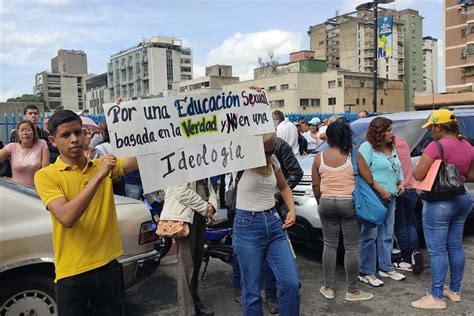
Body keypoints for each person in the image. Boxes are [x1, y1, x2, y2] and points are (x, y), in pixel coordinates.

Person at [34, 109, 139, 315]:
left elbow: (137, 161)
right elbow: (66, 217)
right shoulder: (46, 176)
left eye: (78, 132)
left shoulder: (102, 165)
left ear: (85, 134)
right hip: (73, 273)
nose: (74, 139)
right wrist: (98, 177)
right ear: (53, 140)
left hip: (109, 266)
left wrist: (165, 136)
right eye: (66, 135)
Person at [411, 109, 474, 310]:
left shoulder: (435, 146)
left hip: (440, 203)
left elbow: (419, 174)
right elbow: (471, 175)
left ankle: (436, 296)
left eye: (431, 128)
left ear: (439, 127)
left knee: (437, 251)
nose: (430, 132)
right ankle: (454, 291)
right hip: (462, 198)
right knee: (455, 246)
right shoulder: (468, 145)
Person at [232, 135, 303, 313]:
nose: (270, 155)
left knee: (291, 283)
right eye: (266, 151)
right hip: (247, 225)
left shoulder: (272, 160)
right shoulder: (237, 159)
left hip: (273, 222)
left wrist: (292, 209)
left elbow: (284, 187)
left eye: (272, 150)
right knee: (252, 290)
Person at [312, 122, 374, 301]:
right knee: (351, 247)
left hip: (326, 201)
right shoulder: (354, 156)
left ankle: (328, 287)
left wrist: (320, 202)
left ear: (328, 138)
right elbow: (369, 179)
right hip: (349, 203)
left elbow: (316, 186)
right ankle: (352, 291)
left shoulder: (319, 157)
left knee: (329, 245)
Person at [358, 117, 406, 287]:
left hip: (391, 196)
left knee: (387, 233)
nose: (392, 134)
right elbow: (362, 172)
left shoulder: (390, 148)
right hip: (374, 197)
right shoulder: (367, 148)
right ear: (379, 132)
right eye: (389, 130)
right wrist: (380, 189)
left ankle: (386, 266)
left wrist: (401, 182)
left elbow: (397, 167)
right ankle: (366, 271)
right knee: (369, 235)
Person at [160, 179, 217, 316]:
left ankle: (195, 304)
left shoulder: (202, 160)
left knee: (196, 262)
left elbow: (209, 186)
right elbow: (180, 191)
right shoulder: (178, 159)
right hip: (185, 217)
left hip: (199, 215)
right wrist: (205, 207)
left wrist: (211, 206)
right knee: (186, 266)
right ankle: (187, 311)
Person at [392, 136, 423, 274]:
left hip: (399, 188)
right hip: (411, 188)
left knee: (400, 225)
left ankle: (405, 257)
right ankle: (415, 251)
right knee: (410, 223)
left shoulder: (389, 146)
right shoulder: (403, 141)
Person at [0, 120, 49, 186]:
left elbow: (45, 171)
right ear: (18, 133)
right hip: (16, 190)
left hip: (35, 190)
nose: (25, 133)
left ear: (34, 132)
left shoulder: (42, 144)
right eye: (22, 130)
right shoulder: (12, 147)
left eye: (28, 130)